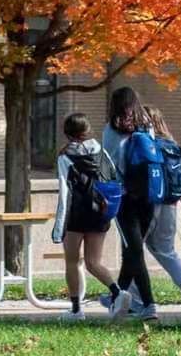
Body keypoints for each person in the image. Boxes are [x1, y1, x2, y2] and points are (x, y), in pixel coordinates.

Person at [51, 112, 132, 321]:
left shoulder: (65, 157)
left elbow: (64, 191)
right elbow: (114, 178)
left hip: (76, 215)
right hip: (100, 213)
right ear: (87, 130)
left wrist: (58, 226)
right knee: (93, 262)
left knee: (71, 262)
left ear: (67, 133)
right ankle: (118, 293)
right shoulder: (101, 151)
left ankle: (77, 310)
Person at [102, 86, 158, 320]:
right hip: (148, 195)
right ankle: (118, 297)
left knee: (134, 250)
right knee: (132, 250)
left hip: (124, 198)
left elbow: (107, 164)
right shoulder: (147, 125)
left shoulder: (111, 129)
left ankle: (148, 304)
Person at [141, 106, 181, 315]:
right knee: (166, 250)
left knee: (132, 251)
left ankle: (132, 299)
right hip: (171, 204)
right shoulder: (171, 144)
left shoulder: (145, 145)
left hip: (148, 204)